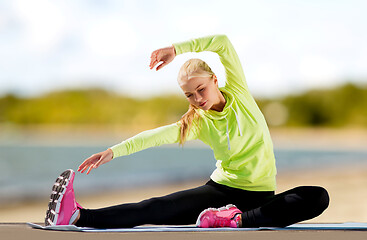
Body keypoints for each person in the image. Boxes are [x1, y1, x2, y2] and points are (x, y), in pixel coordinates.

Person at [44, 34, 329, 228]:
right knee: (155, 208)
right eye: (189, 95)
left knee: (317, 196)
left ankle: (235, 220)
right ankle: (77, 216)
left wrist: (176, 49)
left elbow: (222, 42)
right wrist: (112, 151)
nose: (197, 99)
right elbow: (155, 136)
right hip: (218, 193)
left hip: (260, 198)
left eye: (201, 89)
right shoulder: (198, 121)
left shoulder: (240, 93)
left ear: (215, 80)